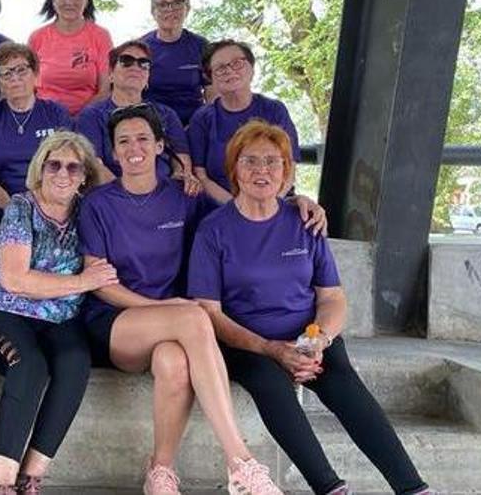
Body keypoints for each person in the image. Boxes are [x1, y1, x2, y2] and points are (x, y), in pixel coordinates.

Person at [190, 121, 432, 495]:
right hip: (247, 344)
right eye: (250, 161)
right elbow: (208, 311)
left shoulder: (305, 222)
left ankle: (413, 488)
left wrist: (316, 340)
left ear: (286, 171)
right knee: (271, 383)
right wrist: (272, 349)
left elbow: (332, 297)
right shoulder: (213, 230)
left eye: (273, 162)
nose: (262, 170)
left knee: (343, 383)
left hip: (309, 337)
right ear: (234, 168)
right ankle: (330, 488)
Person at [76, 105, 282, 494]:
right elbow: (100, 285)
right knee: (192, 318)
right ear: (113, 153)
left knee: (174, 363)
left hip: (175, 327)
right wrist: (167, 310)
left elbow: (244, 212)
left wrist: (298, 204)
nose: (133, 148)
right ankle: (240, 461)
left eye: (142, 139)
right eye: (123, 142)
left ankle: (161, 471)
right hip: (116, 321)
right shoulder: (97, 203)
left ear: (159, 145)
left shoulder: (185, 196)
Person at [0, 131, 109, 494]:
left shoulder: (88, 212)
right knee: (30, 366)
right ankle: (0, 485)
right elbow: (15, 280)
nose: (63, 173)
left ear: (84, 176)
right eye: (54, 165)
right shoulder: (21, 207)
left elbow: (120, 187)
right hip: (5, 313)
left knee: (75, 362)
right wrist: (83, 281)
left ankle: (30, 478)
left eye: (73, 167)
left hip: (60, 318)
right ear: (40, 168)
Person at [0, 42, 72, 278]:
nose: (14, 77)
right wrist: (15, 210)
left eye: (21, 70)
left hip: (52, 195)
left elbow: (68, 162)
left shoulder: (55, 113)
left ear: (35, 74)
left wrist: (46, 204)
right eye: (6, 73)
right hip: (6, 199)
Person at [74, 40, 197, 192]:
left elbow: (181, 158)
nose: (135, 67)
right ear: (111, 75)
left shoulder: (166, 114)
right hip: (113, 197)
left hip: (165, 193)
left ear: (147, 78)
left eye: (143, 63)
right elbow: (94, 164)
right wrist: (130, 196)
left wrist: (178, 180)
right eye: (126, 61)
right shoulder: (92, 116)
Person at [188, 39, 299, 204]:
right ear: (211, 77)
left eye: (237, 63)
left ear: (252, 69)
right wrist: (238, 208)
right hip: (221, 209)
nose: (229, 71)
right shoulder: (202, 118)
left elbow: (289, 166)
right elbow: (201, 175)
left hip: (273, 204)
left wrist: (269, 206)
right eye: (220, 68)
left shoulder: (274, 110)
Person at [27, 0, 113, 116]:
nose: (70, 2)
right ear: (53, 1)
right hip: (43, 117)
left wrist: (79, 119)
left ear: (87, 0)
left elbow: (105, 90)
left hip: (88, 118)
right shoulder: (37, 37)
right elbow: (27, 87)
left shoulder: (101, 36)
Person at [141, 0, 209, 125]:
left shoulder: (201, 46)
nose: (170, 10)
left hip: (194, 125)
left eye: (177, 3)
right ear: (153, 11)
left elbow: (213, 93)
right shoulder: (140, 48)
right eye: (163, 4)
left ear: (187, 9)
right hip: (152, 126)